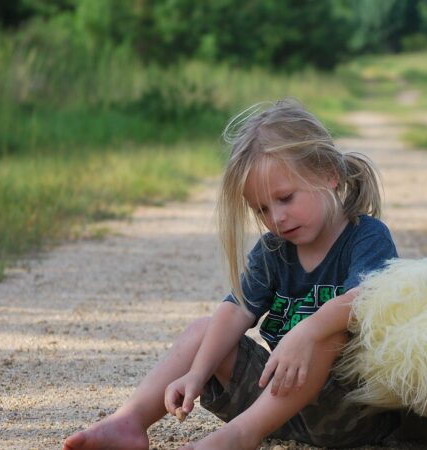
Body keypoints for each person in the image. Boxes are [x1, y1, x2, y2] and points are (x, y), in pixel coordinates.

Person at [63, 99, 401, 450]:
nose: (277, 219)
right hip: (280, 406)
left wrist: (308, 330)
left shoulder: (366, 235)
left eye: (285, 198)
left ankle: (240, 437)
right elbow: (237, 308)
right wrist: (197, 371)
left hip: (352, 414)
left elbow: (366, 299)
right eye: (262, 209)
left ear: (329, 174)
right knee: (204, 331)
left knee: (328, 333)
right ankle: (129, 422)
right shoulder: (274, 249)